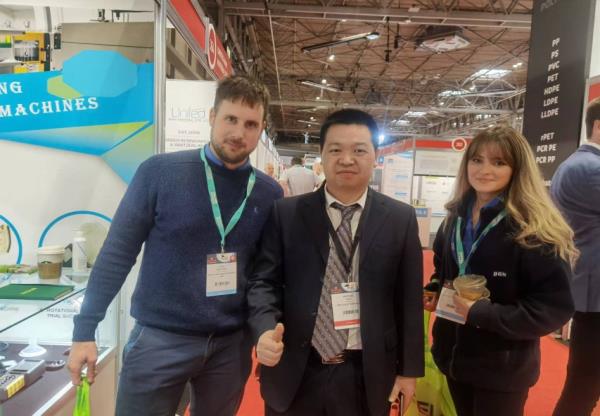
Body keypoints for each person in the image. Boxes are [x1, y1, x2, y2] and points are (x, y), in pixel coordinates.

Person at [67, 75, 283, 416]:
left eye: (250, 124)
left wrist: (263, 330)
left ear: (261, 129)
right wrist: (84, 330)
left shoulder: (269, 194)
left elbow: (262, 275)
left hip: (229, 346)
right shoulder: (159, 173)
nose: (239, 133)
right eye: (230, 119)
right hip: (160, 340)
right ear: (212, 116)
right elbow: (117, 254)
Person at [247, 109, 424, 416]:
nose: (347, 159)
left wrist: (409, 371)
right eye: (336, 150)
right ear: (322, 155)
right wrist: (263, 329)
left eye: (359, 150)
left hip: (366, 374)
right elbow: (264, 281)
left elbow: (409, 300)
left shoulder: (400, 218)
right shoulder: (286, 214)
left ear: (375, 156)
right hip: (296, 370)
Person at [425, 125, 576, 416]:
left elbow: (552, 308)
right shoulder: (455, 217)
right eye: (477, 160)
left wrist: (482, 314)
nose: (484, 170)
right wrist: (435, 288)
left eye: (498, 162)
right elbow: (443, 267)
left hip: (502, 370)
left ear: (517, 169)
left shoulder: (534, 229)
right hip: (453, 358)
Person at [551, 97, 600, 416]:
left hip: (590, 289)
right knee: (584, 388)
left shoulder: (577, 164)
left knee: (585, 385)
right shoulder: (590, 168)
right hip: (595, 296)